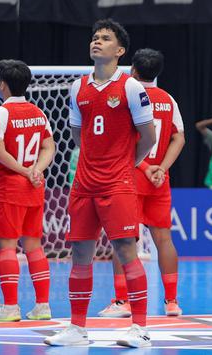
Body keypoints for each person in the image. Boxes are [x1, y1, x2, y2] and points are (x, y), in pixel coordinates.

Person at [44, 19, 158, 348]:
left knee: (126, 251)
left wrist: (125, 164)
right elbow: (79, 136)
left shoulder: (132, 88)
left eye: (105, 38)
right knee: (80, 253)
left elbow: (148, 137)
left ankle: (139, 328)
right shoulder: (78, 88)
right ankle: (77, 327)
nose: (97, 42)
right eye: (95, 37)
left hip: (118, 183)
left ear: (119, 50)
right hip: (84, 183)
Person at [100, 49, 187, 317]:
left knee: (123, 240)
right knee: (164, 239)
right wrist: (161, 168)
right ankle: (172, 302)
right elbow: (179, 138)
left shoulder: (127, 96)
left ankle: (121, 301)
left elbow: (121, 143)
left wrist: (147, 167)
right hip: (159, 180)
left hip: (130, 177)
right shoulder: (168, 99)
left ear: (133, 71)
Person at [0, 60, 55, 323]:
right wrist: (36, 169)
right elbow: (50, 147)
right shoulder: (38, 112)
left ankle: (10, 307)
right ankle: (43, 305)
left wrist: (25, 171)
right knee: (34, 247)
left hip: (11, 186)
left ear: (2, 83)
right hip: (35, 187)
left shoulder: (0, 113)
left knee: (7, 247)